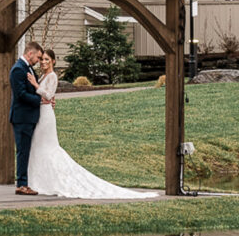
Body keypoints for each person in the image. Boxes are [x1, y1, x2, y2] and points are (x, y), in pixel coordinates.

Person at [27, 48, 157, 199]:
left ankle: (52, 180)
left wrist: (36, 85)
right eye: (42, 59)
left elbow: (49, 94)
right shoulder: (43, 76)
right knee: (38, 146)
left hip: (46, 115)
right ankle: (40, 180)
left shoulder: (52, 76)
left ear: (53, 61)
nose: (43, 62)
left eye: (47, 60)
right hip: (41, 112)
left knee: (48, 147)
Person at [10, 40, 47, 195]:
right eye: (38, 58)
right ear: (30, 53)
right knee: (23, 151)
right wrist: (40, 101)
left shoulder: (28, 68)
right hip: (22, 117)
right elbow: (21, 95)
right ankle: (22, 184)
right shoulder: (18, 69)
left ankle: (26, 182)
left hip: (29, 117)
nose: (38, 61)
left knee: (27, 150)